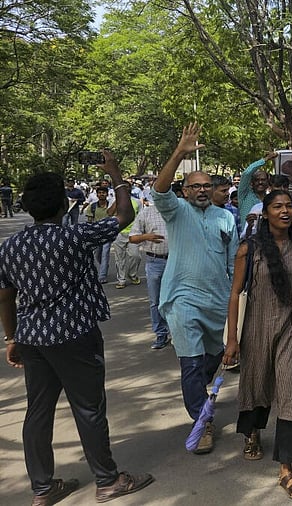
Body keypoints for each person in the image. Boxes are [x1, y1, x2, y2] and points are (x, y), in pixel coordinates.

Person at [0, 158, 153, 504]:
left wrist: (11, 339)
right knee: (88, 408)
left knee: (37, 412)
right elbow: (124, 218)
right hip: (75, 335)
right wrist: (116, 175)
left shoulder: (9, 247)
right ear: (63, 204)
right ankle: (107, 480)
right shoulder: (75, 235)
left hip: (32, 337)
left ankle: (42, 488)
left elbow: (5, 297)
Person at [223, 190, 292, 500]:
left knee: (290, 393)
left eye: (289, 206)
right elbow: (235, 294)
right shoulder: (249, 249)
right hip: (256, 327)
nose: (285, 211)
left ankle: (287, 468)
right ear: (265, 212)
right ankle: (252, 432)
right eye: (277, 207)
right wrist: (232, 340)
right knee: (256, 384)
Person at [152, 123, 239, 454]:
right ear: (185, 191)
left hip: (218, 304)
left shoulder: (226, 218)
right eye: (195, 186)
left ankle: (198, 395)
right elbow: (159, 191)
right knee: (190, 363)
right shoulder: (176, 211)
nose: (202, 190)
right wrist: (179, 152)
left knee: (212, 360)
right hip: (182, 300)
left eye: (207, 185)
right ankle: (202, 422)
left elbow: (233, 264)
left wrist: (237, 301)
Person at [128, 202, 171, 350]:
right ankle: (161, 334)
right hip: (154, 262)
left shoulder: (177, 210)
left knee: (176, 299)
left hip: (175, 261)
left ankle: (177, 334)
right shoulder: (146, 213)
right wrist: (147, 236)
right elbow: (132, 237)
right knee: (155, 301)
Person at [107, 195, 142, 289]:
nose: (125, 190)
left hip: (133, 233)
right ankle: (121, 280)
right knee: (120, 258)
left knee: (136, 256)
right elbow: (109, 213)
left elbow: (141, 217)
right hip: (119, 233)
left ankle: (132, 274)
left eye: (127, 188)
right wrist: (117, 200)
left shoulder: (137, 201)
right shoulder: (113, 200)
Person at [237, 152, 277, 228]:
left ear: (268, 182)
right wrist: (265, 159)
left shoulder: (270, 199)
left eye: (263, 179)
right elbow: (246, 174)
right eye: (257, 180)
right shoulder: (245, 195)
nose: (260, 182)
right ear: (252, 182)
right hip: (248, 238)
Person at [85, 187, 113, 284]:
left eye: (103, 193)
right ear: (97, 195)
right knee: (97, 254)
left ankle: (102, 276)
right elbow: (89, 221)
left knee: (105, 253)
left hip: (108, 233)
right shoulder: (92, 207)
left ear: (107, 194)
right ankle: (103, 266)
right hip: (96, 234)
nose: (101, 194)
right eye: (100, 193)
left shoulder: (111, 206)